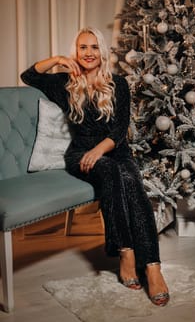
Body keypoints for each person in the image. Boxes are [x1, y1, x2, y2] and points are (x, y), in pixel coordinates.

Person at [21, 26, 169, 307]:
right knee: (112, 172)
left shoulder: (118, 84)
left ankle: (152, 266)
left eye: (93, 47)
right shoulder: (64, 82)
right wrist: (56, 60)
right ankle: (126, 252)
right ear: (75, 52)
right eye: (82, 48)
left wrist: (100, 149)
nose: (88, 53)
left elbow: (120, 128)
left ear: (102, 52)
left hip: (114, 151)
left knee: (131, 182)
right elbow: (29, 76)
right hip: (80, 155)